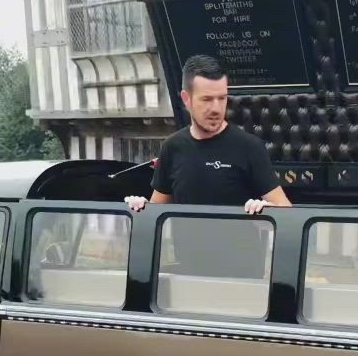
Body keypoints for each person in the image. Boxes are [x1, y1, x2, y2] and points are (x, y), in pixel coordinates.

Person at [125, 54, 292, 278]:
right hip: (188, 275)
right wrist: (141, 206)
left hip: (242, 280)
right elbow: (157, 210)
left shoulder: (248, 147)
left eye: (222, 98)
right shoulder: (173, 147)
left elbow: (286, 211)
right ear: (186, 99)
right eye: (206, 99)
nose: (216, 108)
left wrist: (266, 213)